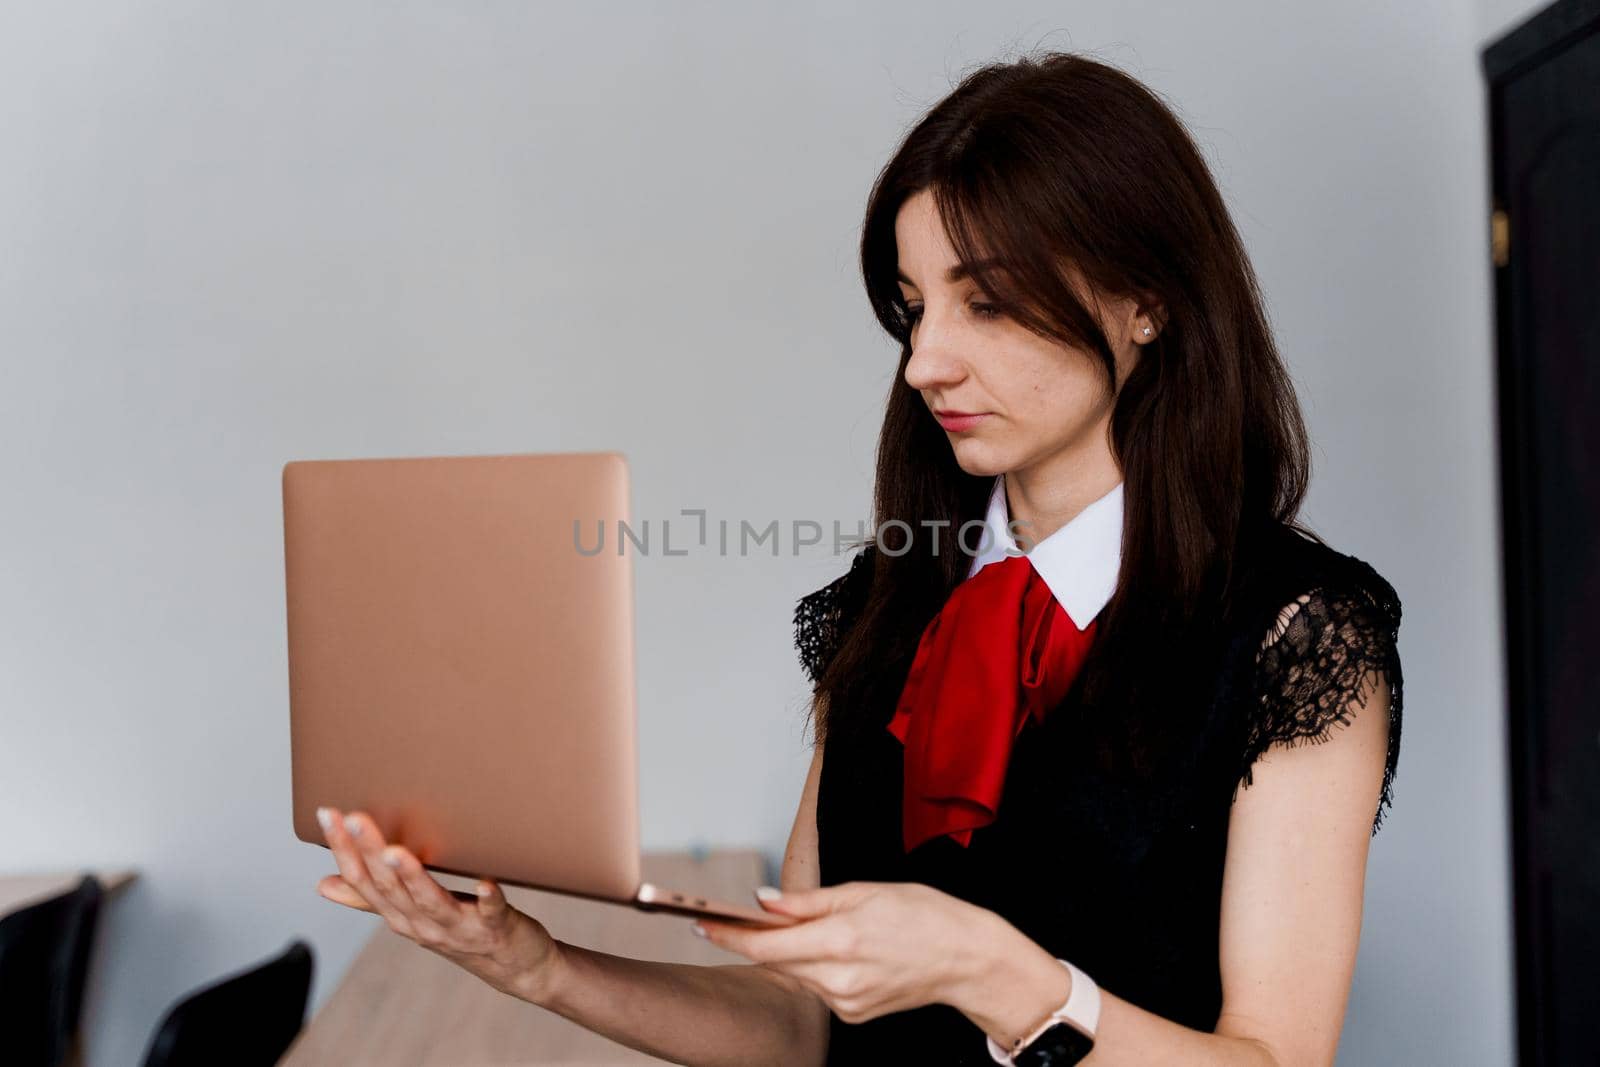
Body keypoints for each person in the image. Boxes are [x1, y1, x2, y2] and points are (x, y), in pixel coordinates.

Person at [311, 50, 1403, 1066]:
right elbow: (803, 1023)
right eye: (915, 307)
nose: (925, 360)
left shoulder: (1295, 637)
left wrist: (1003, 976)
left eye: (985, 301)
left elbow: (1271, 1057)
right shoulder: (885, 609)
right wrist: (536, 963)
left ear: (1144, 301)